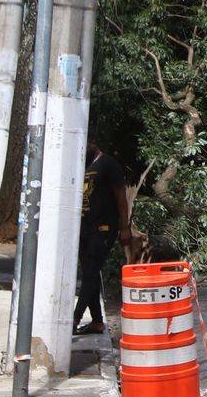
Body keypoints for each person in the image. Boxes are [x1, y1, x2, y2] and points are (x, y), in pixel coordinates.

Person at [74, 140, 131, 335]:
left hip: (104, 227)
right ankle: (97, 322)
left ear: (93, 142)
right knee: (89, 275)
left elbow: (121, 197)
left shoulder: (108, 164)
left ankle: (74, 318)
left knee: (90, 271)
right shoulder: (83, 165)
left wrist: (125, 228)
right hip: (84, 228)